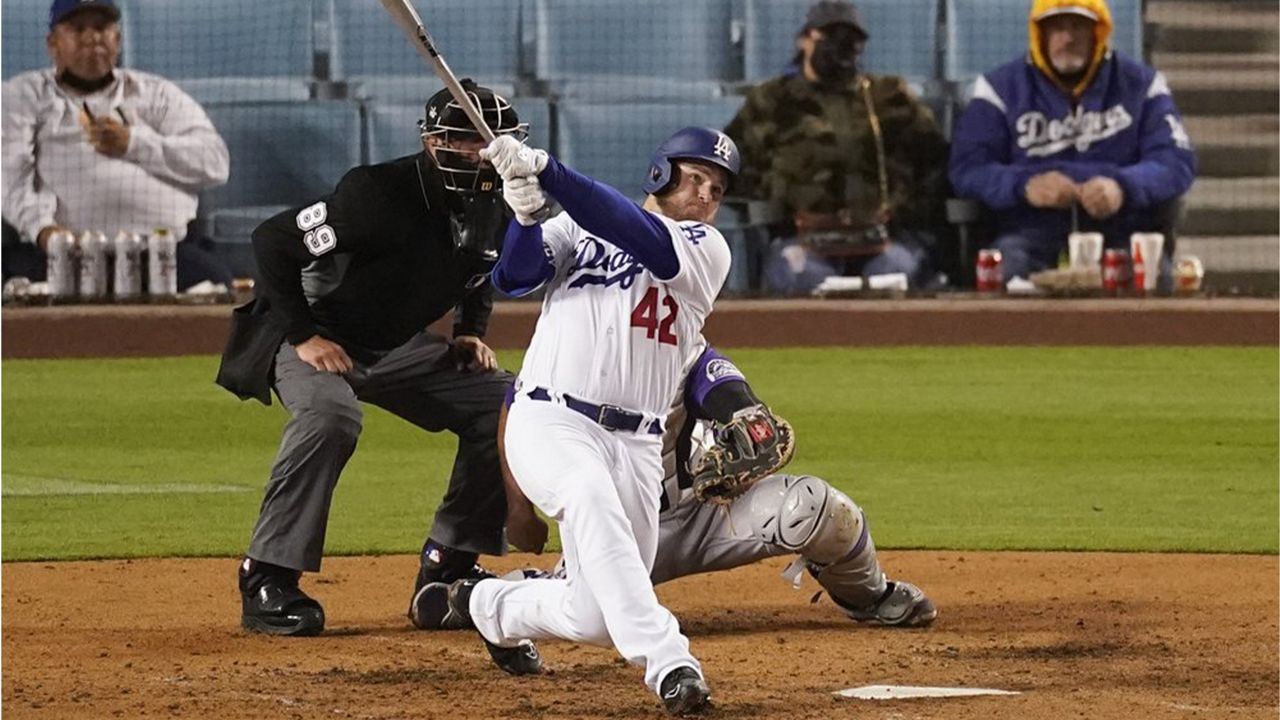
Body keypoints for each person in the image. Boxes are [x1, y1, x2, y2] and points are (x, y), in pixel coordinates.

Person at [216, 81, 546, 671]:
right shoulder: (376, 194)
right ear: (433, 141)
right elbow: (272, 241)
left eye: (489, 139)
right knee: (332, 416)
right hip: (313, 333)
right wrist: (303, 336)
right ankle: (267, 579)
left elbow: (479, 270)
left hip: (393, 346)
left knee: (507, 403)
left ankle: (447, 573)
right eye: (466, 139)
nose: (480, 150)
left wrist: (471, 331)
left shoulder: (501, 199)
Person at [412, 127, 740, 715]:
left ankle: (493, 607)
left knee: (593, 615)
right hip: (551, 419)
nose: (706, 194)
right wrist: (526, 212)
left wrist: (551, 172)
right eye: (695, 178)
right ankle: (670, 661)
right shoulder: (578, 226)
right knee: (587, 494)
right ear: (660, 174)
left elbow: (640, 235)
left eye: (716, 188)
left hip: (638, 445)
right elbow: (513, 278)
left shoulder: (706, 249)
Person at [948, 0, 1197, 283]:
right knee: (1002, 270)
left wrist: (1122, 186)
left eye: (1078, 26)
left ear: (1097, 31)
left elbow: (1176, 162)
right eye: (1057, 27)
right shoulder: (999, 88)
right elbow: (968, 168)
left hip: (1120, 233)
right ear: (1039, 33)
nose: (1067, 38)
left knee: (1156, 277)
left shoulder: (1142, 84)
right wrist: (1025, 186)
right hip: (1028, 236)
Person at [1, 0, 233, 290]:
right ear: (53, 43)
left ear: (118, 40)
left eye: (101, 27)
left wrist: (134, 143)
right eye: (77, 28)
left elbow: (215, 163)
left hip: (164, 253)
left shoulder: (156, 93)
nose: (92, 36)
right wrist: (43, 229)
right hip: (60, 255)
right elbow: (8, 174)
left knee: (221, 291)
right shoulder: (22, 94)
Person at [724, 0, 949, 294]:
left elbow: (937, 162)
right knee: (807, 281)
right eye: (829, 36)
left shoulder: (890, 98)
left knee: (893, 279)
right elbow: (726, 165)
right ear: (804, 40)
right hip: (801, 239)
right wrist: (773, 203)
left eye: (851, 40)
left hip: (883, 240)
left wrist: (901, 209)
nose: (841, 47)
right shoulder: (770, 100)